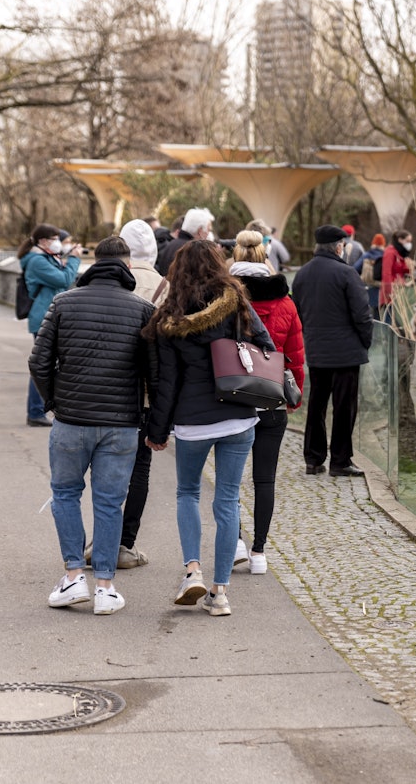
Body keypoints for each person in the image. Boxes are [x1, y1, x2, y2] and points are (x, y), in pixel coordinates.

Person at [144, 239, 275, 617]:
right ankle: (220, 592)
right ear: (218, 265)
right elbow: (266, 344)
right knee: (228, 499)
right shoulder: (237, 302)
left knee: (187, 493)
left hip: (193, 421)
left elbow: (165, 382)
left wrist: (158, 430)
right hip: (239, 414)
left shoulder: (169, 316)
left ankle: (192, 572)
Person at [29, 236, 156, 616]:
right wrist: (154, 421)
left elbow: (38, 362)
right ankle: (104, 586)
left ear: (93, 263)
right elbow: (155, 373)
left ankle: (73, 576)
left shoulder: (63, 302)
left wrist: (54, 402)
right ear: (128, 267)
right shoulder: (143, 310)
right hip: (122, 424)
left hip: (71, 420)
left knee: (65, 494)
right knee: (110, 502)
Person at [228, 230, 305, 574]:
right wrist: (294, 396)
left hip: (231, 398)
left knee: (228, 480)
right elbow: (296, 355)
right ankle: (259, 552)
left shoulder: (224, 297)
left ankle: (235, 542)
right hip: (272, 397)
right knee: (265, 479)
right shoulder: (285, 302)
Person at [290, 225, 373, 477]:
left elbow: (298, 312)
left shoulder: (302, 274)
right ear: (338, 247)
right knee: (344, 407)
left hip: (317, 351)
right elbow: (362, 314)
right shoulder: (347, 273)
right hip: (346, 353)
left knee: (316, 405)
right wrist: (365, 342)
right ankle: (340, 460)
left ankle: (313, 459)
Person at [109, 218, 168, 569]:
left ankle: (104, 537)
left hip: (112, 388)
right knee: (139, 469)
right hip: (146, 392)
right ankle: (125, 542)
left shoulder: (113, 279)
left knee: (107, 465)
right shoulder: (165, 287)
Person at [20, 223, 81, 427]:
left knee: (48, 364)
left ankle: (40, 410)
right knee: (43, 365)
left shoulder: (46, 258)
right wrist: (74, 259)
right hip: (43, 318)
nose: (58, 243)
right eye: (54, 239)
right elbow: (63, 280)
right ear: (43, 241)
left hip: (49, 316)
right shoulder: (37, 261)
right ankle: (35, 411)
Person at [156, 207, 213, 277]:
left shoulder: (171, 245)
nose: (208, 234)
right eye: (208, 230)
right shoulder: (195, 251)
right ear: (200, 231)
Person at [379, 229, 415, 324]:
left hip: (400, 291)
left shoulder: (400, 253)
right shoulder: (390, 252)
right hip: (391, 293)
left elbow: (402, 271)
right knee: (390, 321)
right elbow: (386, 273)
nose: (409, 244)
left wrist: (410, 267)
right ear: (400, 240)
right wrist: (389, 291)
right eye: (407, 241)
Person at [354, 232, 386, 316]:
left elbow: (355, 268)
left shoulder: (367, 255)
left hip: (367, 287)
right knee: (380, 313)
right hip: (382, 288)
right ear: (383, 244)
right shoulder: (386, 256)